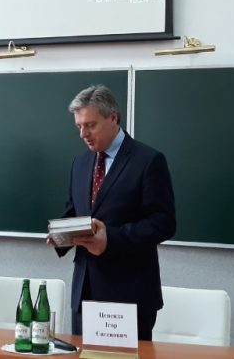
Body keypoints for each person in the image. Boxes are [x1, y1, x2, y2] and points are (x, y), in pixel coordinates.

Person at [49, 85, 176, 340]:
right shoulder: (80, 162)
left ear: (113, 118)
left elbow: (164, 223)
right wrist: (61, 236)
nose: (83, 134)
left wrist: (111, 240)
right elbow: (75, 211)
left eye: (90, 125)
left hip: (129, 294)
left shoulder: (148, 160)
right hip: (84, 293)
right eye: (79, 126)